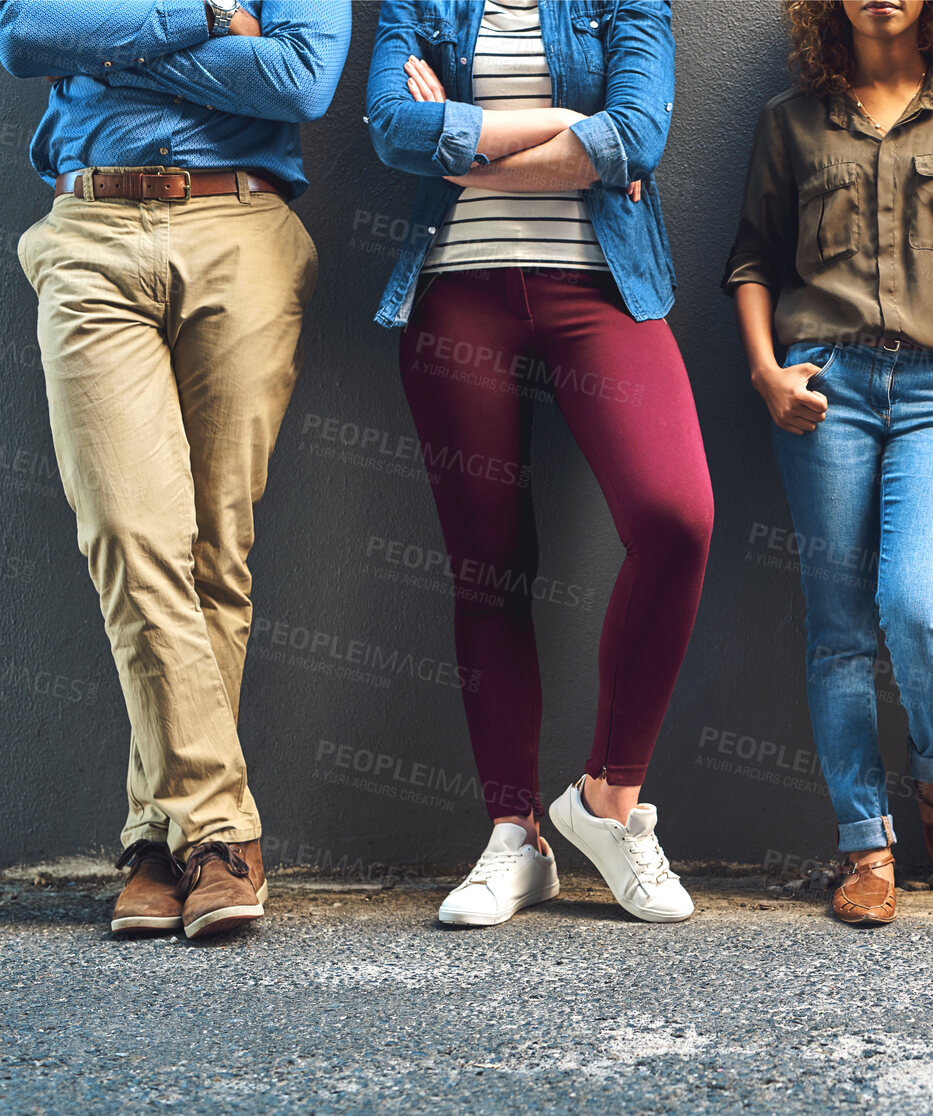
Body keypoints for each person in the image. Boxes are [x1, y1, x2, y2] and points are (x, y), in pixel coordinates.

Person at [0, 0, 349, 940]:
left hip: (242, 227)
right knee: (126, 530)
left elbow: (298, 81)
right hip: (91, 229)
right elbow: (24, 36)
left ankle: (163, 841)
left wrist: (113, 53)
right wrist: (204, 19)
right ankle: (225, 830)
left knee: (214, 550)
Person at [366, 0, 712, 927]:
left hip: (600, 286)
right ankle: (512, 835)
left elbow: (638, 133)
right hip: (457, 297)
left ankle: (608, 801)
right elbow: (396, 129)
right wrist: (569, 127)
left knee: (677, 517)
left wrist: (467, 153)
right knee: (488, 571)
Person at [724, 0, 933, 925]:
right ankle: (865, 845)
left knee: (916, 603)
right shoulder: (790, 120)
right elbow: (750, 263)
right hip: (829, 386)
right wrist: (766, 375)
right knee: (840, 628)